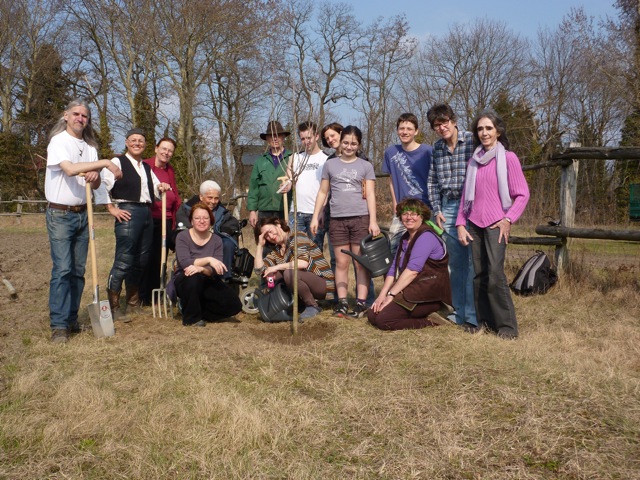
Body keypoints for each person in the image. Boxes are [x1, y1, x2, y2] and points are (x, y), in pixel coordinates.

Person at [45, 99, 123, 343]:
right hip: (60, 214)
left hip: (82, 213)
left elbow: (96, 183)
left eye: (85, 116)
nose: (80, 118)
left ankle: (71, 319)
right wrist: (106, 163)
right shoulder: (59, 142)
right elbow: (69, 169)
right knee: (63, 269)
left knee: (79, 271)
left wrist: (95, 176)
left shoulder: (90, 147)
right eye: (76, 114)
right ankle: (58, 325)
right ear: (66, 116)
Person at [456, 110, 530, 339]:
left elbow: (523, 194)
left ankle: (507, 328)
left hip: (496, 225)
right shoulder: (473, 162)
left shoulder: (508, 158)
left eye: (488, 128)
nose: (484, 132)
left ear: (498, 130)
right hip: (474, 224)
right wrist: (460, 223)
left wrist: (508, 219)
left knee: (496, 274)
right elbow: (465, 198)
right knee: (479, 274)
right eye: (480, 129)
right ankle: (484, 322)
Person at [96, 128, 171, 322]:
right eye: (133, 140)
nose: (137, 143)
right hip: (128, 211)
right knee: (124, 259)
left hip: (146, 213)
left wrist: (161, 187)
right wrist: (112, 209)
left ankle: (132, 302)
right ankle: (113, 306)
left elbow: (154, 187)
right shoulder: (116, 162)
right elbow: (101, 186)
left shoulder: (145, 167)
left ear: (145, 145)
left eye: (141, 141)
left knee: (141, 260)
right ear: (127, 142)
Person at [310, 125, 379, 319]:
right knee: (341, 262)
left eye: (353, 143)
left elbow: (371, 194)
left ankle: (361, 302)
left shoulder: (365, 166)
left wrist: (373, 221)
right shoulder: (330, 165)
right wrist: (316, 216)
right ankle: (341, 302)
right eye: (346, 142)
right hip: (337, 220)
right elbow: (323, 192)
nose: (349, 147)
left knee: (360, 264)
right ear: (341, 142)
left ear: (359, 145)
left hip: (360, 219)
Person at [426, 103, 478, 329]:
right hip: (447, 207)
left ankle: (473, 314)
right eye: (437, 125)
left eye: (444, 122)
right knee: (455, 264)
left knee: (473, 262)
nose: (441, 127)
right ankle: (458, 311)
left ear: (454, 121)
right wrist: (437, 209)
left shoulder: (473, 141)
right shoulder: (437, 148)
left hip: (472, 206)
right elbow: (432, 181)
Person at [368, 199, 452, 331]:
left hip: (428, 293)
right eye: (405, 214)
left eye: (414, 214)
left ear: (422, 216)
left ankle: (431, 321)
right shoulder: (405, 238)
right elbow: (393, 269)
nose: (409, 217)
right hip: (411, 290)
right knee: (373, 315)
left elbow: (412, 271)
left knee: (384, 321)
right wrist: (381, 296)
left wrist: (391, 295)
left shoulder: (426, 237)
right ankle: (419, 316)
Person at [174, 203, 242, 326]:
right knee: (193, 277)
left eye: (206, 218)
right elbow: (185, 263)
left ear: (211, 220)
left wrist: (200, 268)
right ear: (191, 221)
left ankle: (198, 310)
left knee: (235, 305)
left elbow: (215, 270)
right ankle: (191, 319)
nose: (202, 221)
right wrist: (209, 259)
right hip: (186, 279)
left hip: (207, 278)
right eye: (197, 218)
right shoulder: (182, 236)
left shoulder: (217, 240)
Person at [254, 217, 335, 321]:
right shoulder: (276, 251)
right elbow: (259, 270)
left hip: (323, 284)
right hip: (304, 282)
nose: (270, 236)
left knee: (289, 273)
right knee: (269, 274)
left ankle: (312, 306)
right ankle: (286, 299)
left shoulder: (297, 236)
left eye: (270, 231)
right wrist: (259, 246)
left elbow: (303, 263)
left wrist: (276, 267)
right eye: (266, 236)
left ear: (278, 224)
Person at [382, 113, 432, 255]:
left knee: (423, 248)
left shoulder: (427, 152)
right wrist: (395, 204)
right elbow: (391, 180)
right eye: (401, 128)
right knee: (395, 247)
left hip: (424, 208)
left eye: (409, 129)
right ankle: (396, 276)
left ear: (416, 131)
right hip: (402, 208)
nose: (405, 132)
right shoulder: (391, 152)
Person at [139, 137, 180, 305]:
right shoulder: (146, 166)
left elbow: (174, 194)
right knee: (149, 257)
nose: (166, 153)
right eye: (163, 149)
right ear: (156, 148)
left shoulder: (170, 170)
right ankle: (145, 295)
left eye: (170, 150)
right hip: (151, 218)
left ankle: (164, 289)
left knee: (162, 256)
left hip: (168, 219)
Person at [174, 181, 239, 280]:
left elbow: (232, 223)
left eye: (216, 198)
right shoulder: (186, 209)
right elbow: (183, 222)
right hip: (194, 239)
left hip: (215, 239)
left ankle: (224, 275)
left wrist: (222, 229)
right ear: (201, 197)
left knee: (228, 243)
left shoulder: (222, 211)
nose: (213, 201)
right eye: (210, 197)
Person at [281, 121, 329, 252]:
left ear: (317, 136)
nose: (306, 141)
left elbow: (327, 190)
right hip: (296, 213)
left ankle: (314, 274)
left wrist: (322, 212)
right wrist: (287, 185)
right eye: (303, 138)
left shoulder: (326, 160)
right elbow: (289, 179)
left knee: (315, 253)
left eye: (309, 138)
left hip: (315, 213)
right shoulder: (295, 158)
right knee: (296, 252)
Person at [247, 121, 291, 228]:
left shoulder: (292, 158)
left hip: (286, 210)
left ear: (283, 137)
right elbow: (254, 188)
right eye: (271, 136)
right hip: (265, 211)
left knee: (286, 242)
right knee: (266, 242)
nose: (275, 139)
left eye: (278, 135)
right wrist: (252, 211)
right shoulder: (260, 162)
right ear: (267, 139)